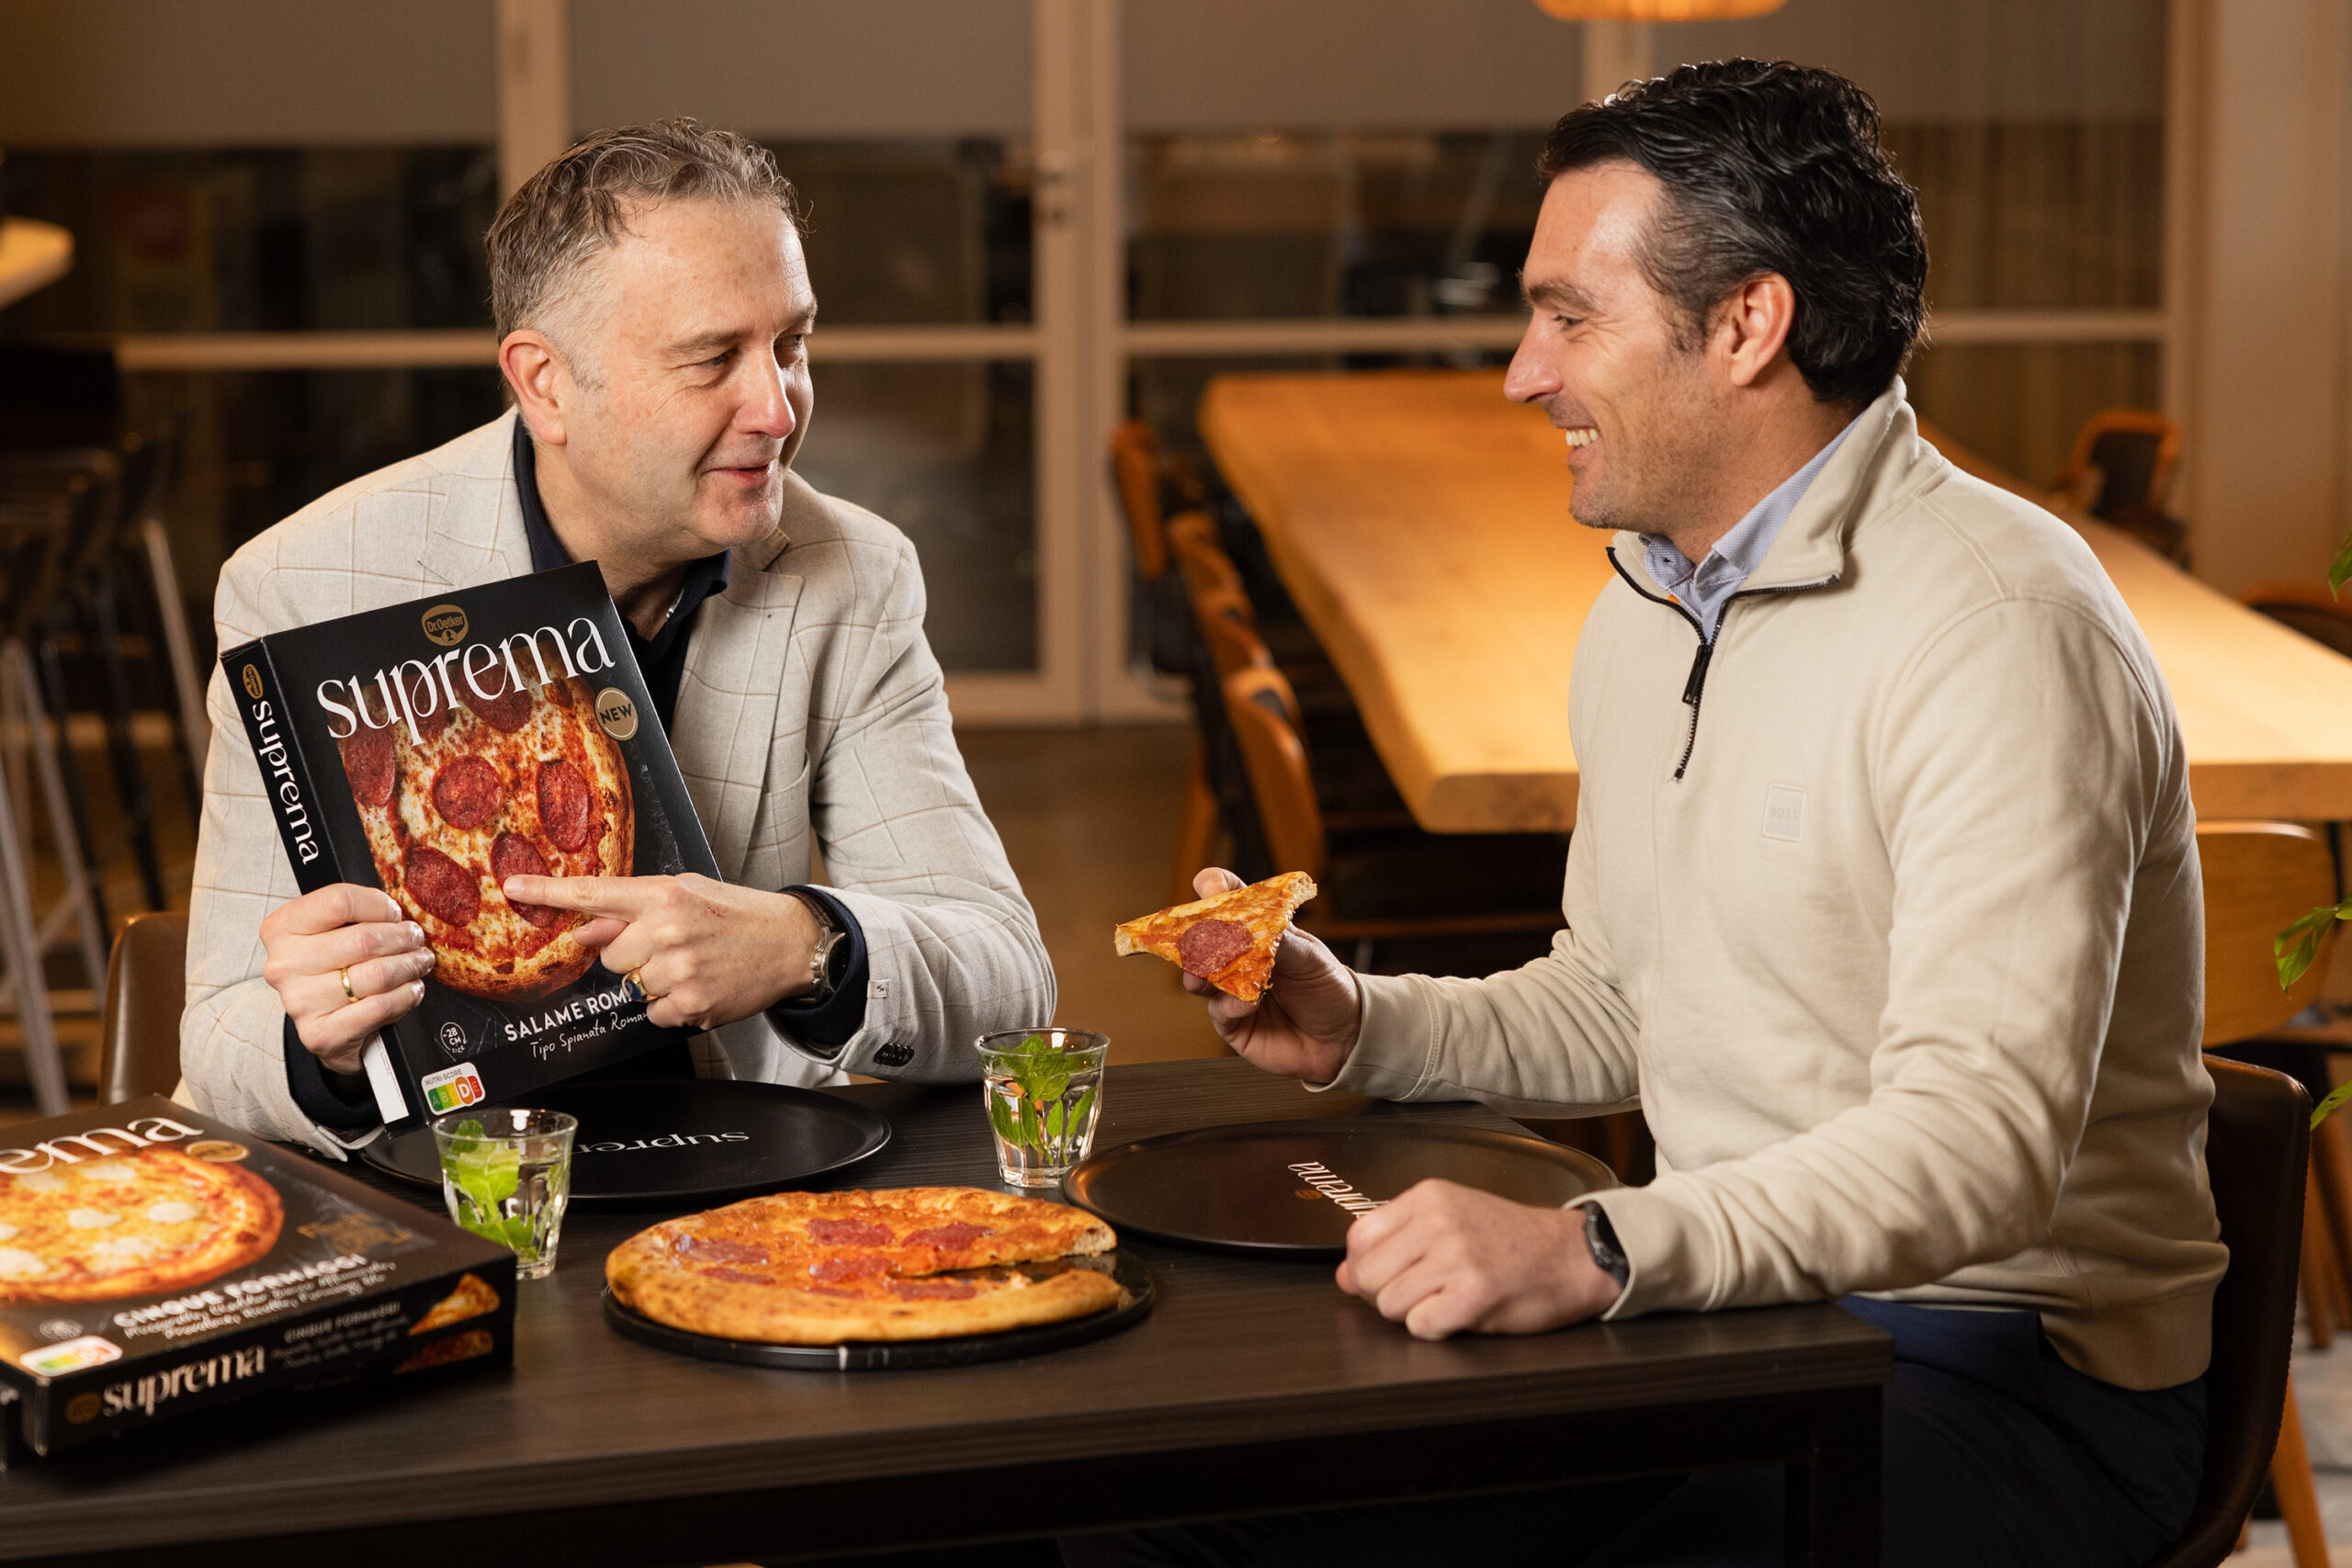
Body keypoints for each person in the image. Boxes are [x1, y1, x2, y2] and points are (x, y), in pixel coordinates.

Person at [1069, 61, 2220, 1568]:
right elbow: (1626, 999)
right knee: (1172, 1515)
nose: (1521, 372)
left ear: (1747, 323)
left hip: (2008, 1377)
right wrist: (1366, 1024)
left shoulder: (2000, 625)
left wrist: (1594, 1243)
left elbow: (1979, 1149)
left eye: (1569, 314)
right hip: (1739, 1318)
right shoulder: (1652, 602)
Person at [182, 120, 1052, 1152]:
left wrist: (813, 944)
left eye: (791, 345)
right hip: (440, 1174)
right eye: (713, 358)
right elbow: (220, 1039)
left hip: (733, 1169)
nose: (776, 407)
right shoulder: (302, 586)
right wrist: (318, 1050)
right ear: (544, 382)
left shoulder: (851, 574)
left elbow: (1010, 980)